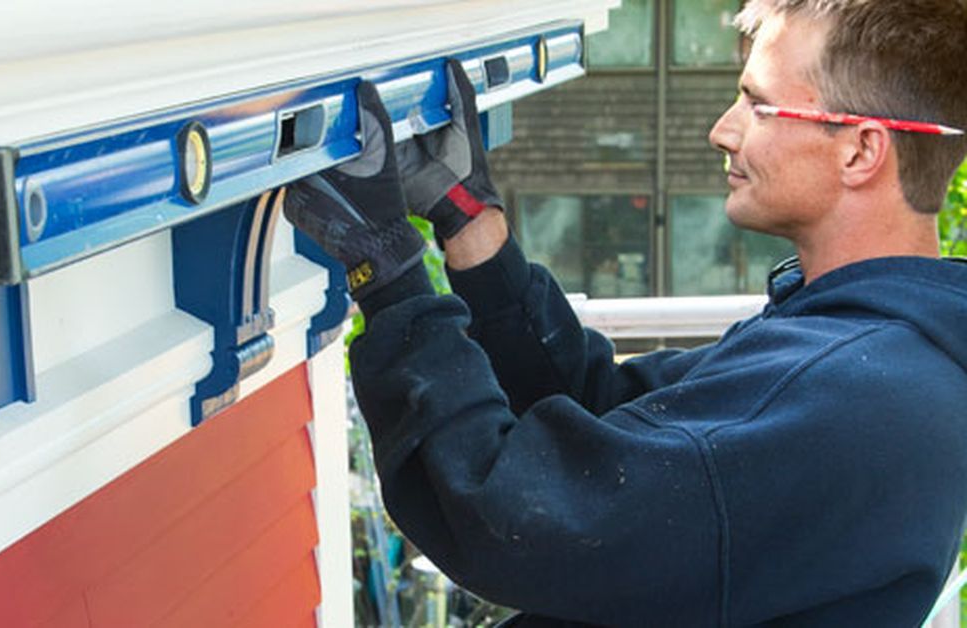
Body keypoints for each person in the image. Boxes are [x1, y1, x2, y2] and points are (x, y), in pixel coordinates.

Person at [283, 0, 967, 624]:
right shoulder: (871, 347)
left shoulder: (844, 396)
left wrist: (390, 274)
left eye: (759, 105)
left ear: (860, 150)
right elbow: (607, 412)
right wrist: (470, 225)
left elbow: (513, 517)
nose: (721, 130)